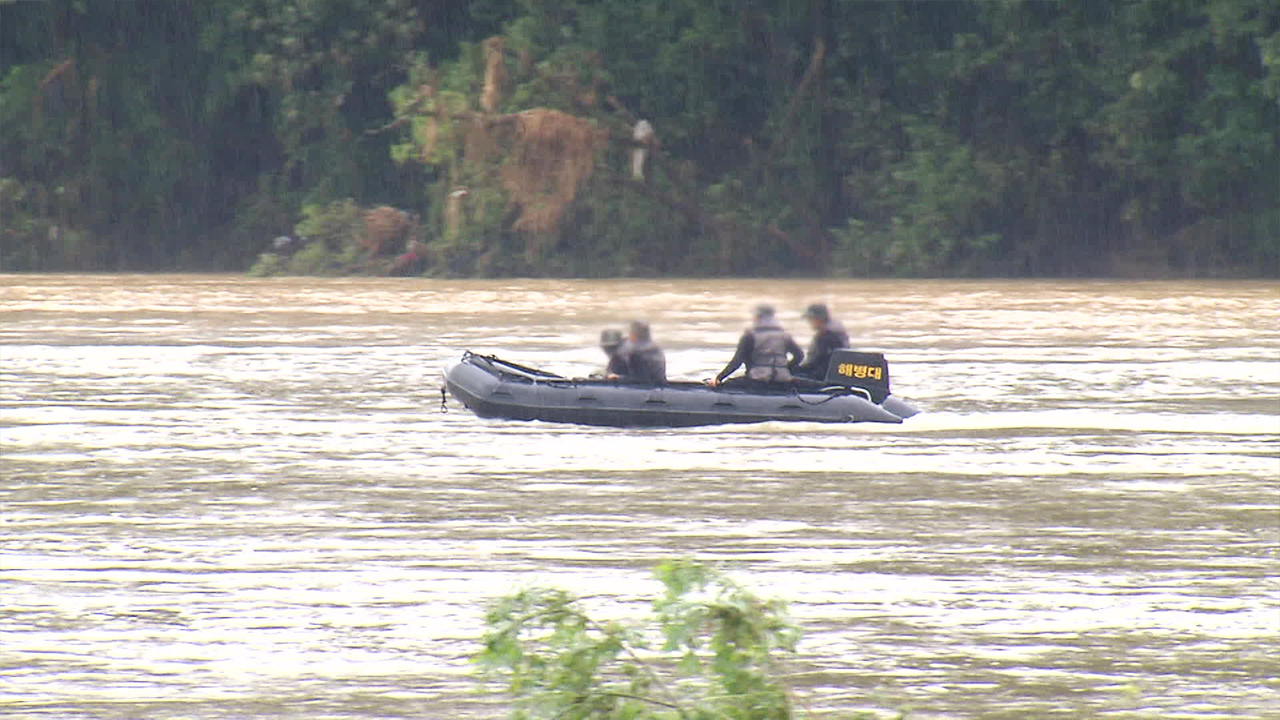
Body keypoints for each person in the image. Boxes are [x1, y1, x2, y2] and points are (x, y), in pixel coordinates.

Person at [707, 304, 803, 387]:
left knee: (729, 384)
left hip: (757, 380)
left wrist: (719, 379)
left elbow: (737, 361)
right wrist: (785, 369)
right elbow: (799, 356)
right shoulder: (785, 335)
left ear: (757, 316)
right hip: (781, 379)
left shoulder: (750, 335)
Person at [795, 302, 849, 380]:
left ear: (818, 319)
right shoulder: (836, 332)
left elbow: (813, 362)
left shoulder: (824, 336)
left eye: (810, 319)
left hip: (820, 376)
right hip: (831, 374)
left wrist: (794, 369)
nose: (809, 323)